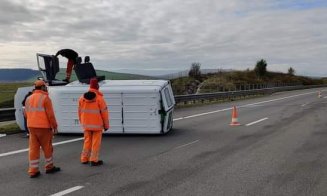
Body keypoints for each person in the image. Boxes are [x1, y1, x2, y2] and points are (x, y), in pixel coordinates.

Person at [24, 80, 61, 178]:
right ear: (43, 87)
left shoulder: (28, 98)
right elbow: (50, 115)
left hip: (31, 126)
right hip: (44, 127)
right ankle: (49, 167)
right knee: (47, 147)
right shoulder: (45, 98)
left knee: (33, 148)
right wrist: (55, 126)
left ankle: (33, 170)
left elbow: (25, 114)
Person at [78, 78, 109, 166]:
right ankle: (94, 160)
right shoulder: (100, 99)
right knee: (96, 142)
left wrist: (82, 123)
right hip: (97, 125)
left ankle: (84, 158)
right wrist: (106, 125)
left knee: (87, 141)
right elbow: (104, 113)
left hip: (86, 125)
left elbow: (79, 112)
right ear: (97, 86)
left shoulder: (81, 98)